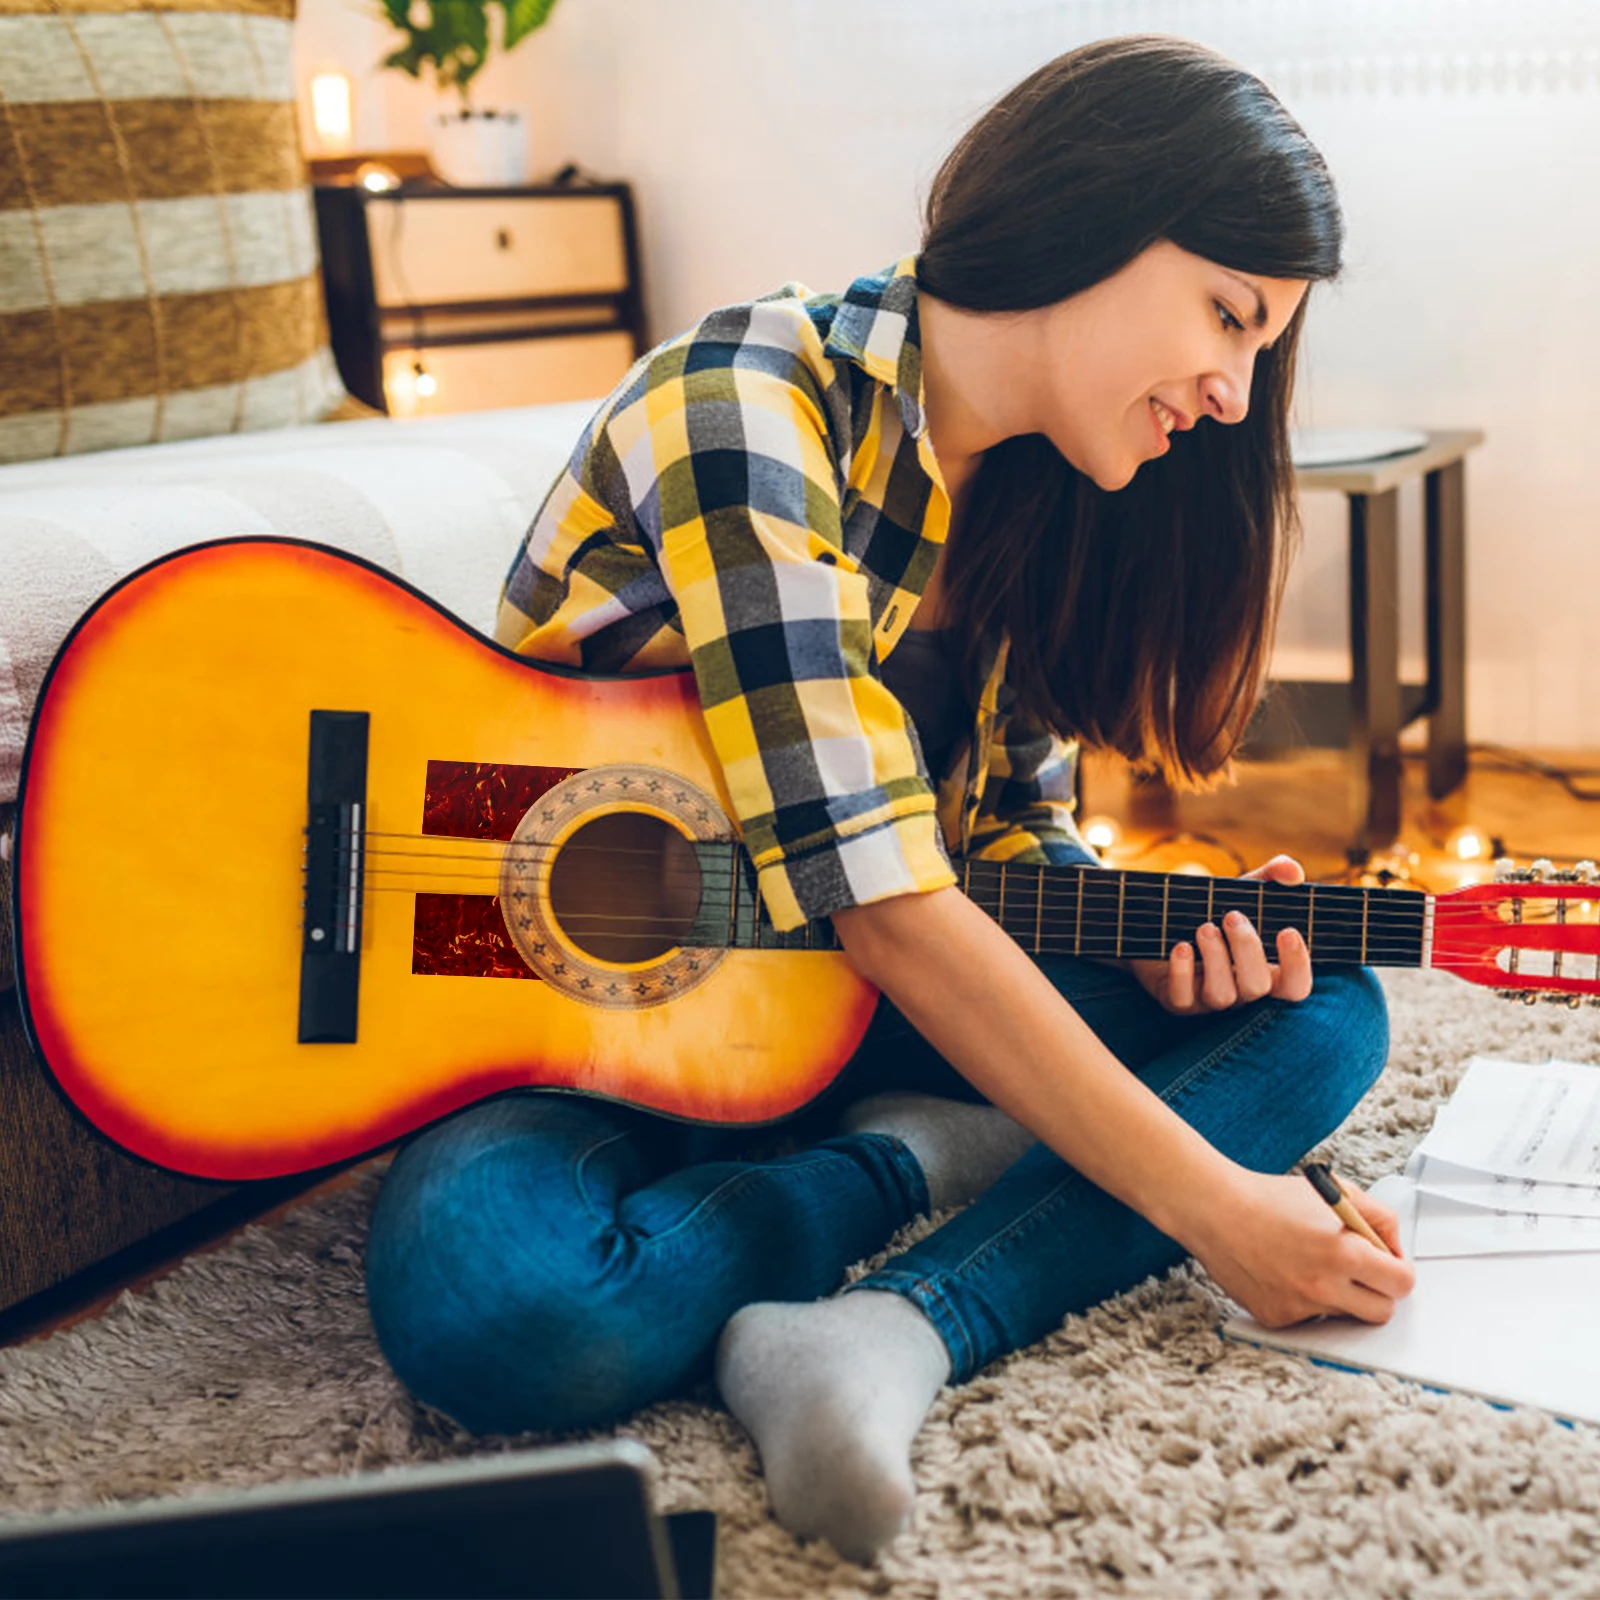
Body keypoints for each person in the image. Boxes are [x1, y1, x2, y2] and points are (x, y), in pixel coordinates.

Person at [363, 34, 1417, 1565]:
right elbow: (897, 908)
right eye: (1229, 317)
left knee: (1331, 1010)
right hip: (574, 1022)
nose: (1233, 387)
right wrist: (1220, 1211)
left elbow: (994, 847)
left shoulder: (1052, 494)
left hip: (838, 1012)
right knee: (499, 1306)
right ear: (1094, 216)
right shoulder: (743, 402)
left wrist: (1128, 936)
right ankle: (918, 1160)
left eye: (1264, 347)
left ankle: (893, 1328)